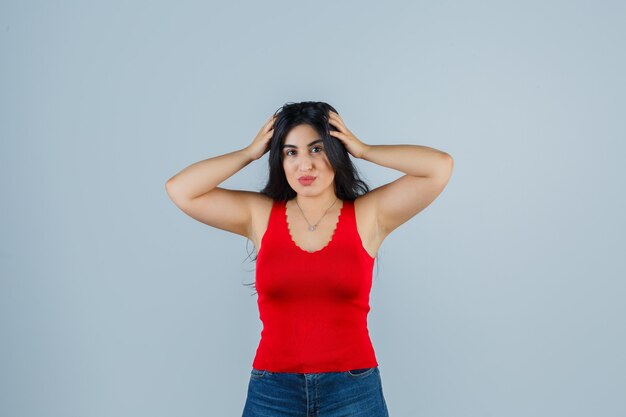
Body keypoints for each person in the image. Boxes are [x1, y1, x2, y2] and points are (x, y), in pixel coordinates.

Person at [165, 101, 453, 416]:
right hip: (273, 391)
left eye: (316, 149)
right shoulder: (260, 216)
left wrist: (364, 148)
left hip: (353, 390)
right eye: (291, 152)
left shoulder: (368, 215)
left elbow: (438, 166)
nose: (305, 165)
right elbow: (181, 189)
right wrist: (249, 152)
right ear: (279, 159)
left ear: (336, 150)